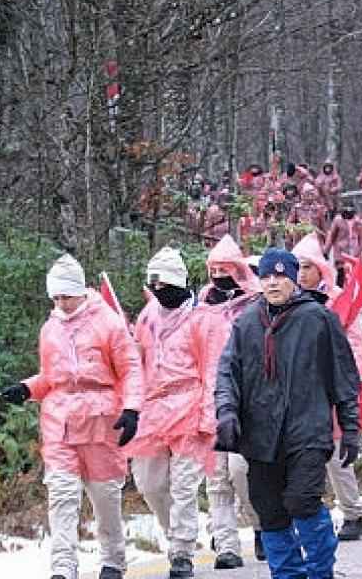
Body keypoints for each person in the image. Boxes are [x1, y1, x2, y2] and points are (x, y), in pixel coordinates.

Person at [214, 249, 361, 579]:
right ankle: (288, 575)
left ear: (294, 279)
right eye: (265, 277)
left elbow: (344, 375)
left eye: (280, 276)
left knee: (302, 501)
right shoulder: (247, 322)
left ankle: (321, 571)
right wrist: (226, 413)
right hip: (261, 434)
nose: (272, 283)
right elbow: (227, 372)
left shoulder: (319, 319)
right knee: (269, 511)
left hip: (307, 428)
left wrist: (350, 427)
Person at [0, 254, 142, 579]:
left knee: (105, 497)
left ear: (80, 290)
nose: (61, 303)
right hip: (60, 421)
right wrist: (26, 388)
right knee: (62, 494)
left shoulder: (108, 323)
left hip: (101, 420)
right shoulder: (50, 329)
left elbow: (131, 369)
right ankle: (63, 566)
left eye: (66, 295)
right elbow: (49, 378)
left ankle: (112, 560)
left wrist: (132, 408)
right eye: (56, 297)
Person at [127, 247, 211, 579]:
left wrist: (209, 417)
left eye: (166, 285)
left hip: (190, 404)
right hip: (152, 409)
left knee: (184, 486)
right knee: (149, 483)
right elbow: (136, 364)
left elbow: (214, 369)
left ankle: (182, 552)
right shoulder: (148, 316)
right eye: (155, 285)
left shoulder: (202, 319)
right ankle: (174, 533)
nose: (161, 292)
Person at [291, 236, 362, 541]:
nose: (301, 274)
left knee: (338, 455)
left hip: (331, 390)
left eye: (308, 267)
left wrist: (345, 381)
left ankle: (353, 512)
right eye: (297, 267)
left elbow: (354, 346)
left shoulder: (340, 300)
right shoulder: (289, 301)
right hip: (299, 393)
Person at [195, 236, 260, 568]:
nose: (219, 275)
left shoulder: (255, 306)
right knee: (217, 478)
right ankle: (227, 546)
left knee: (242, 470)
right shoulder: (200, 308)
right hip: (210, 402)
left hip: (246, 403)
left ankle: (263, 523)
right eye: (214, 269)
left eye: (225, 269)